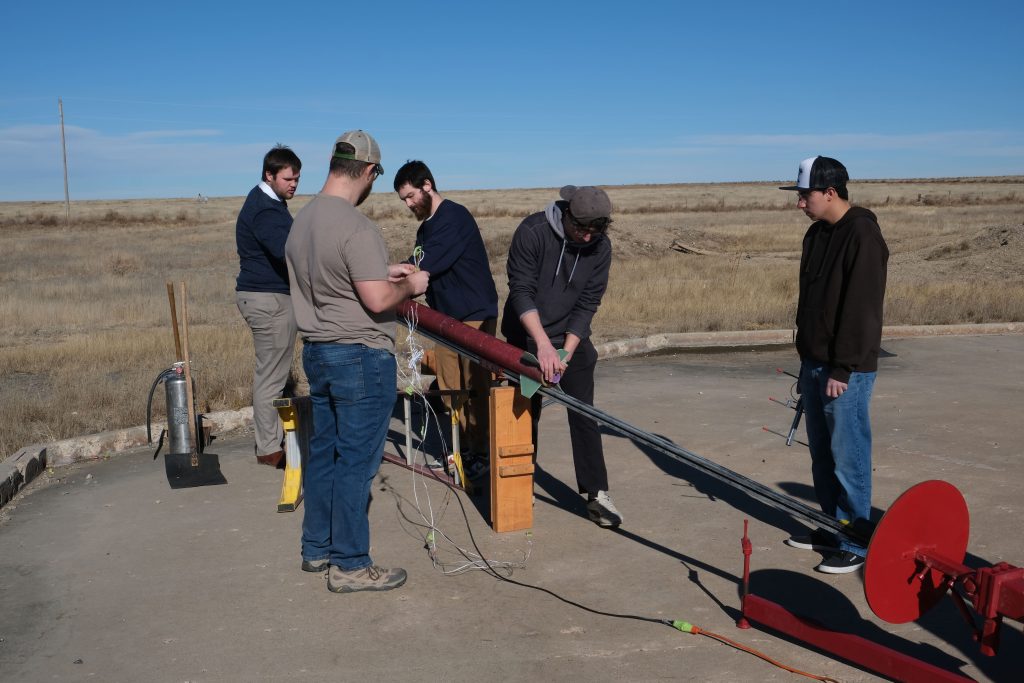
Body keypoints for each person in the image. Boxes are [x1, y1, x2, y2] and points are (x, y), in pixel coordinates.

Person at [285, 130, 429, 593]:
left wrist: (380, 271)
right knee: (356, 463)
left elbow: (331, 274)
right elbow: (378, 299)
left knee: (325, 453)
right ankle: (349, 564)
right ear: (368, 172)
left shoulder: (303, 221)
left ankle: (317, 547)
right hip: (360, 356)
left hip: (318, 352)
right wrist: (409, 285)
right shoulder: (357, 227)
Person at [779, 156, 889, 574]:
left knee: (849, 455)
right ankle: (832, 526)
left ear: (830, 192)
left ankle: (856, 540)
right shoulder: (816, 234)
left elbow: (862, 309)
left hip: (846, 370)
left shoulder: (862, 234)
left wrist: (842, 368)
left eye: (805, 195)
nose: (799, 203)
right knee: (822, 456)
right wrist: (807, 354)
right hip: (814, 362)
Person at [501, 185, 621, 528]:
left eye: (595, 231)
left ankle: (596, 494)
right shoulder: (533, 231)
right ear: (567, 214)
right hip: (526, 334)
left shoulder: (600, 247)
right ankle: (521, 481)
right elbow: (521, 290)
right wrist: (541, 344)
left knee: (584, 412)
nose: (587, 237)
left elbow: (587, 303)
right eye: (581, 229)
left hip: (571, 337)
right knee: (524, 411)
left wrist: (565, 352)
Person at [393, 160, 499, 474]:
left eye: (410, 196)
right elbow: (416, 263)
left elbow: (425, 265)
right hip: (444, 319)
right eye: (403, 200)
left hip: (474, 315)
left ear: (427, 185)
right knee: (452, 389)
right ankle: (460, 450)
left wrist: (392, 281)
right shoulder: (425, 228)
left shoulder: (455, 217)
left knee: (475, 388)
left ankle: (483, 453)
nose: (408, 204)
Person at [235, 145, 302, 468]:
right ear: (269, 175)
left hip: (266, 296)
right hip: (268, 299)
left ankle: (273, 441)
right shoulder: (265, 210)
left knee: (271, 373)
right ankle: (269, 449)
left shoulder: (270, 203)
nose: (294, 184)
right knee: (271, 377)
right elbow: (288, 252)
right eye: (288, 178)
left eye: (297, 178)